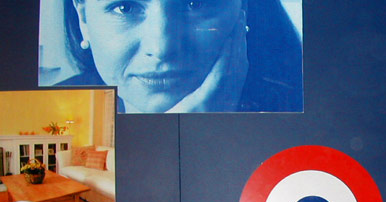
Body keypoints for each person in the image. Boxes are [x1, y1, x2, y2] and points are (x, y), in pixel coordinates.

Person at [59, 0, 303, 113]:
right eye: (126, 8)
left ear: (243, 10)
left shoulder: (297, 109)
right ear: (83, 18)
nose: (162, 48)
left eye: (195, 4)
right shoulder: (62, 104)